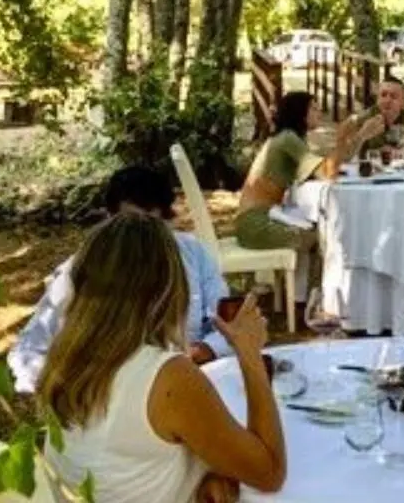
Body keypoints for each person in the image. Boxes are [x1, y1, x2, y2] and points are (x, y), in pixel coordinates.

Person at [34, 213, 286, 502]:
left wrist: (210, 472)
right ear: (169, 287)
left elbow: (126, 455)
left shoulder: (65, 355)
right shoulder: (165, 375)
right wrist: (250, 354)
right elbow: (269, 473)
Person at [7, 166, 231, 394]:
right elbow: (30, 351)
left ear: (167, 221)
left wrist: (203, 351)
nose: (141, 241)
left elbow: (229, 323)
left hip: (188, 383)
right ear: (110, 221)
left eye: (151, 228)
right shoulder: (82, 270)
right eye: (130, 226)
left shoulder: (191, 255)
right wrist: (73, 388)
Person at [236, 91, 351, 311]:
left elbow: (326, 169)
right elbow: (328, 172)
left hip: (259, 218)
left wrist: (357, 137)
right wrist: (343, 138)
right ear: (301, 113)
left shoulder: (290, 139)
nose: (320, 113)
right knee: (320, 237)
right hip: (256, 224)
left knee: (318, 230)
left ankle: (301, 299)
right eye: (314, 108)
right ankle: (309, 304)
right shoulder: (288, 139)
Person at [334, 75, 404, 161]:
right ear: (377, 99)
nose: (387, 100)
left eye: (393, 96)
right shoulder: (363, 119)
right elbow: (340, 154)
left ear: (403, 101)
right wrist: (362, 135)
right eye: (383, 95)